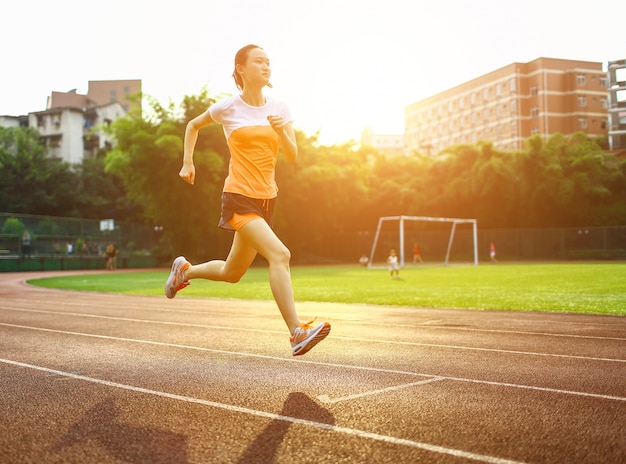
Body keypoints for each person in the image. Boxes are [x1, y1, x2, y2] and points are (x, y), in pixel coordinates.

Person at [165, 44, 330, 356]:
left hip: (267, 199)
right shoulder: (229, 107)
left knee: (232, 272)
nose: (266, 66)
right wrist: (188, 162)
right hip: (239, 197)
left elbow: (293, 156)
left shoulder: (280, 107)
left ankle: (184, 271)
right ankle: (297, 332)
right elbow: (192, 126)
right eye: (259, 61)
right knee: (280, 254)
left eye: (269, 61)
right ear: (241, 68)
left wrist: (282, 132)